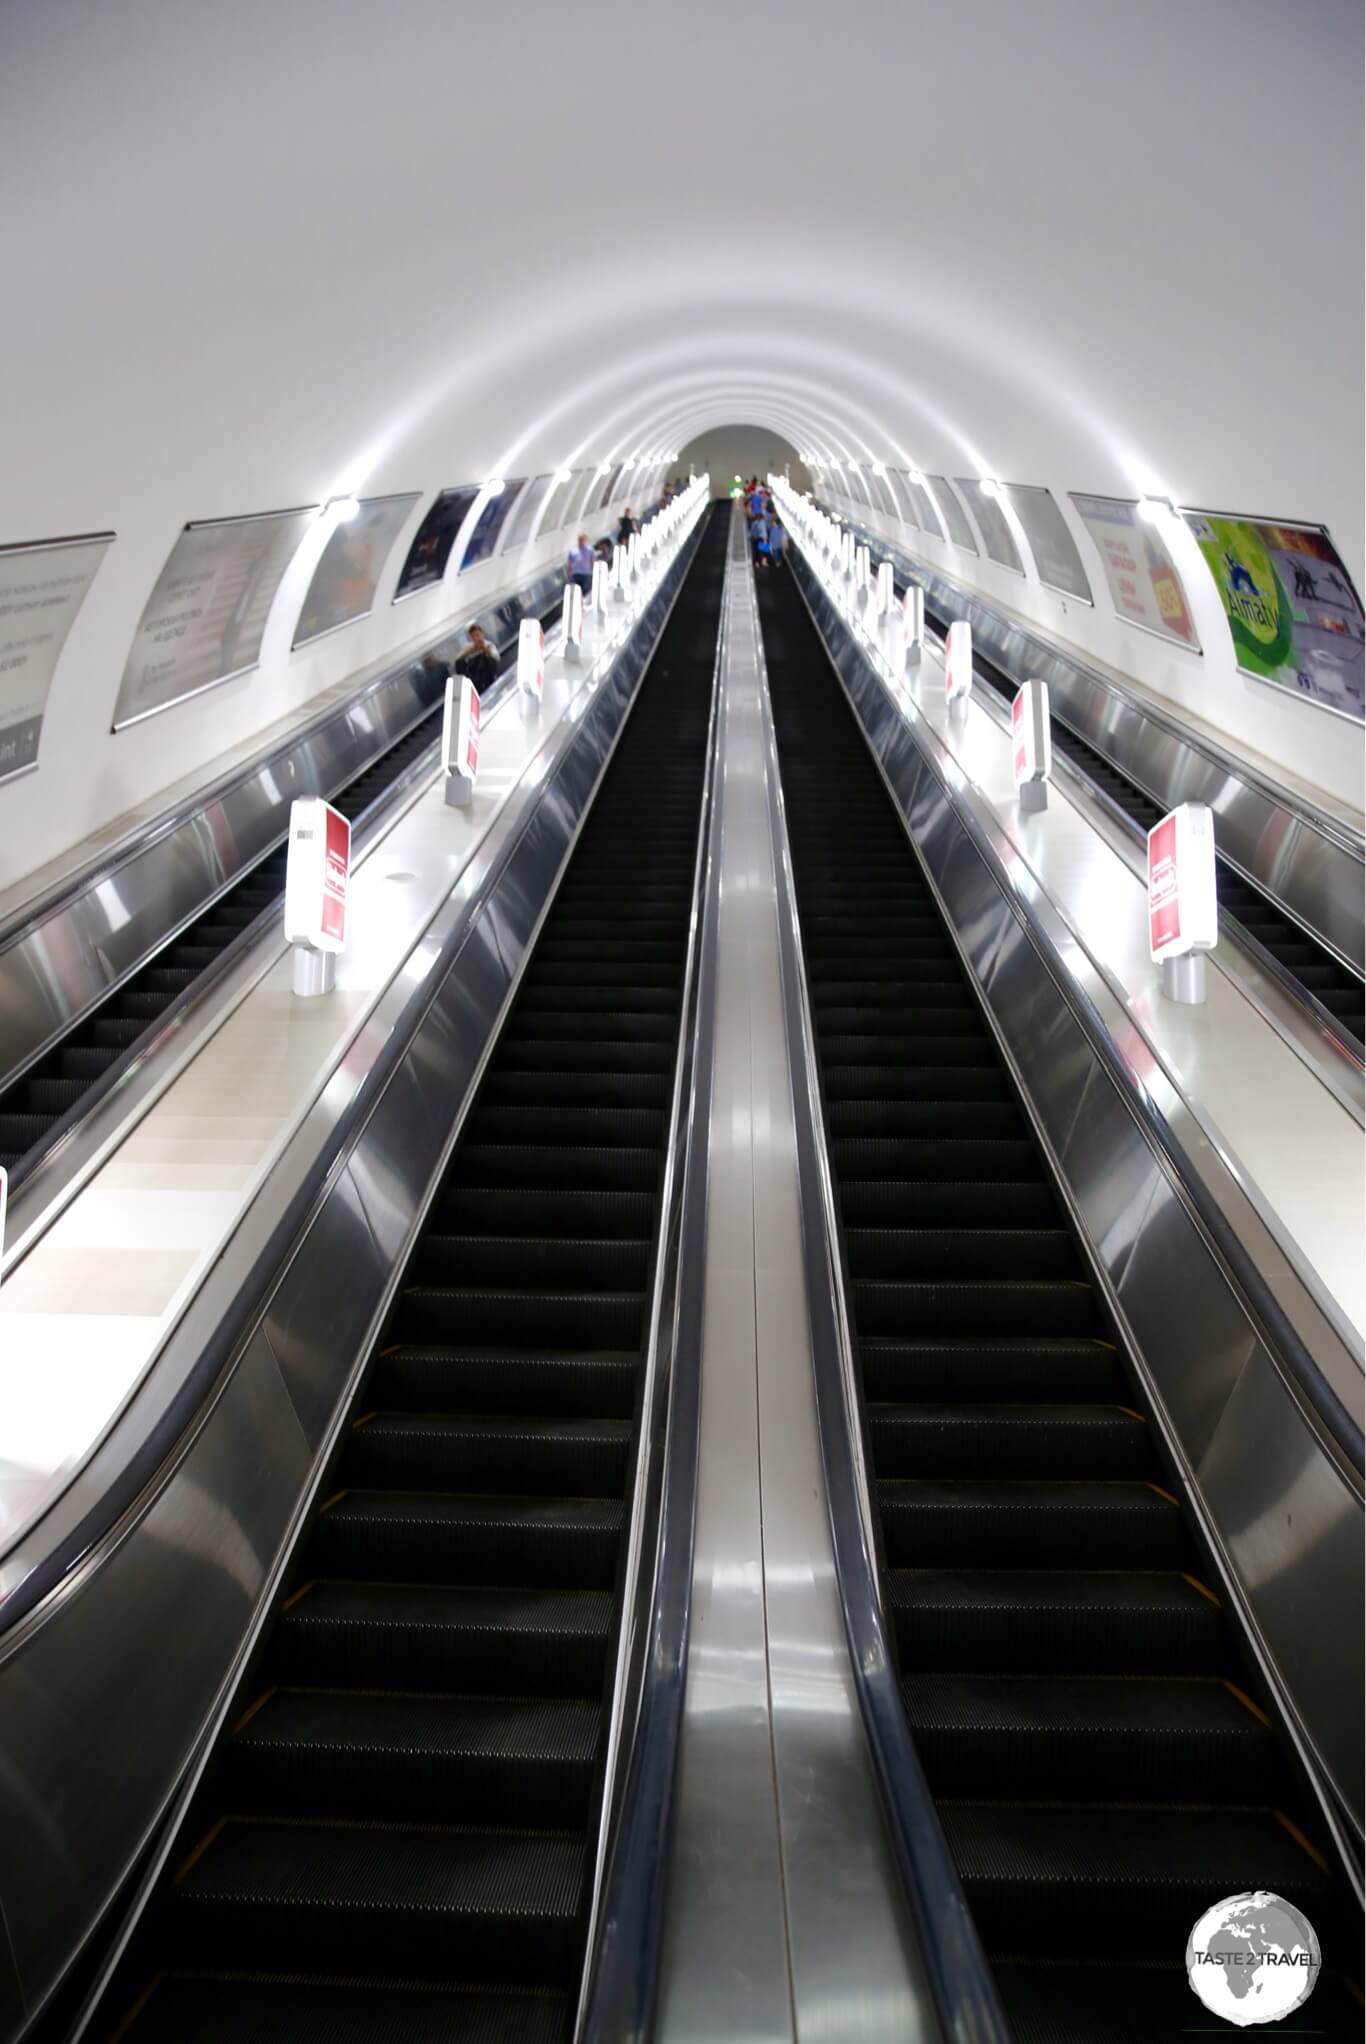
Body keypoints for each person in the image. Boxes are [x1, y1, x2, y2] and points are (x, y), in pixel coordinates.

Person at [454, 623, 498, 691]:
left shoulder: (489, 644)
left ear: (482, 634)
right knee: (459, 662)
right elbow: (457, 659)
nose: (477, 638)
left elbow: (496, 658)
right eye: (474, 636)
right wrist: (472, 650)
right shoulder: (469, 647)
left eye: (478, 635)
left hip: (487, 673)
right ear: (471, 638)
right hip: (473, 673)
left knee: (486, 658)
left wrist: (485, 649)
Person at [566, 531, 595, 603]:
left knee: (586, 592)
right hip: (575, 574)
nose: (581, 541)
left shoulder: (590, 550)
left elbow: (593, 562)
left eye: (583, 539)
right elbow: (569, 563)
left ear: (586, 540)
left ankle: (584, 605)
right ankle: (578, 605)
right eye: (580, 539)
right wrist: (568, 574)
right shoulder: (573, 550)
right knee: (575, 593)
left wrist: (593, 573)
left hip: (586, 574)